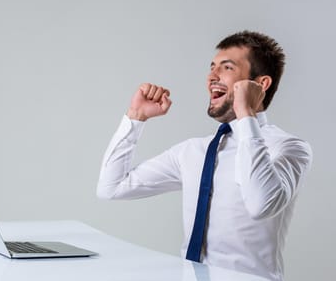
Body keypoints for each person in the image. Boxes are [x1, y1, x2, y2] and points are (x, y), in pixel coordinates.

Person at [97, 30, 312, 281]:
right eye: (212, 67)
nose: (212, 77)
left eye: (227, 67)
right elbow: (111, 188)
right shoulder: (193, 151)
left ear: (261, 84)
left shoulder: (290, 148)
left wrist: (245, 114)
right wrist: (136, 117)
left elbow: (260, 204)